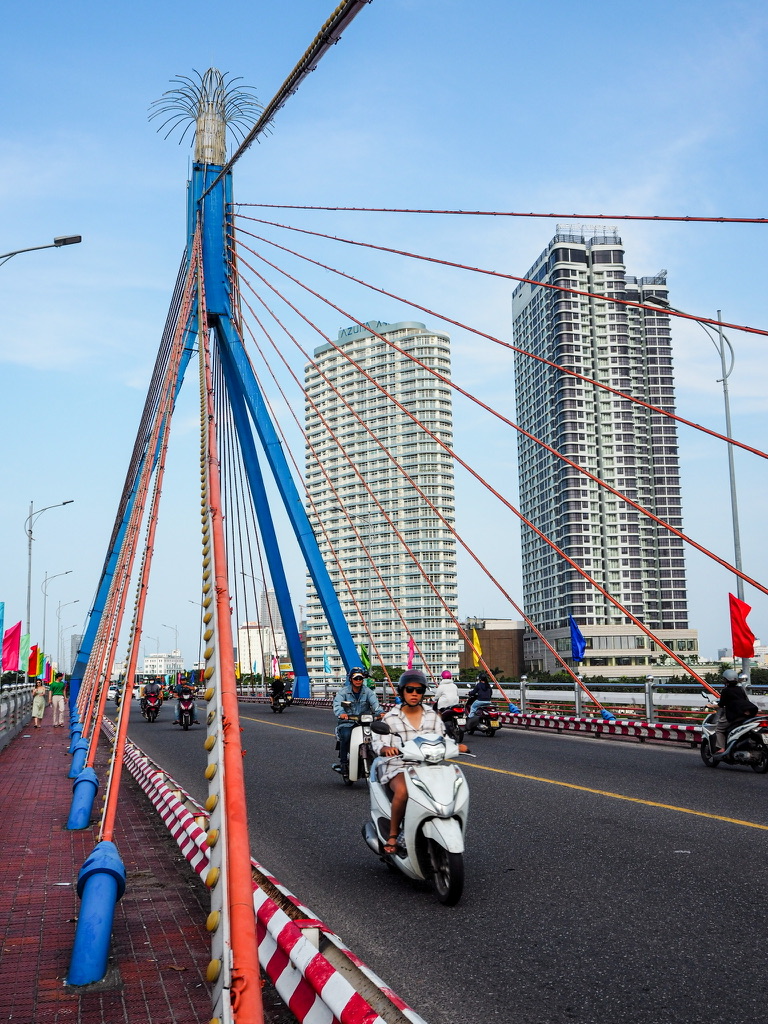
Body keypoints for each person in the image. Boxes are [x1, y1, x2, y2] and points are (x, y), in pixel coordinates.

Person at [373, 669, 467, 854]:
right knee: (403, 791)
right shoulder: (391, 718)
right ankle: (393, 834)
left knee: (452, 786)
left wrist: (456, 746)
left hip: (429, 766)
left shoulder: (432, 716)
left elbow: (443, 738)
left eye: (419, 690)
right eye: (409, 689)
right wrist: (385, 749)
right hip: (399, 765)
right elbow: (379, 742)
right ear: (402, 692)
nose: (414, 694)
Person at [332, 667, 382, 772]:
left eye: (360, 678)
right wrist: (342, 714)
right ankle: (344, 763)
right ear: (351, 679)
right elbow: (337, 705)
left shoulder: (368, 692)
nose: (358, 680)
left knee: (377, 737)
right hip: (348, 722)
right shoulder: (343, 692)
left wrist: (380, 713)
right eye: (356, 678)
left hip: (365, 722)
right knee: (346, 736)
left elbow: (375, 704)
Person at [714, 668, 758, 754]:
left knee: (719, 729)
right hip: (746, 714)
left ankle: (722, 748)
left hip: (734, 715)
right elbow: (745, 699)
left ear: (726, 680)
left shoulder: (725, 691)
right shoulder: (741, 689)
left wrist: (711, 705)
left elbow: (721, 704)